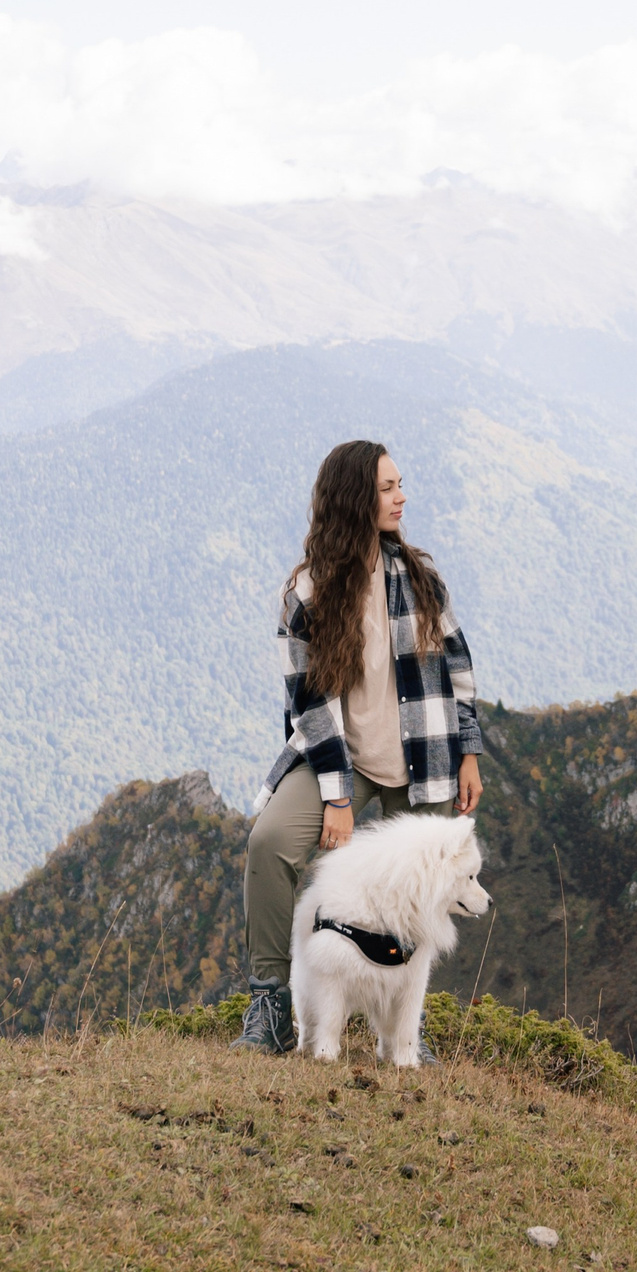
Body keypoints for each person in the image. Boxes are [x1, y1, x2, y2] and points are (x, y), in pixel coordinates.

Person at [233, 439, 483, 1055]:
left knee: (422, 893)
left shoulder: (419, 579)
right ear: (353, 500)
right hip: (335, 762)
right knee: (269, 845)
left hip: (422, 764)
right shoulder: (307, 593)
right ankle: (268, 1005)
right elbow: (310, 704)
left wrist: (468, 751)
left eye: (401, 484)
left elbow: (459, 667)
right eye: (388, 488)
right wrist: (337, 797)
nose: (402, 497)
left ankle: (402, 1032)